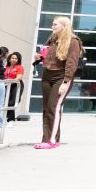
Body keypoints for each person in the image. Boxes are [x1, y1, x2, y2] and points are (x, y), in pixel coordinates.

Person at [35, 16, 82, 149]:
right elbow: (46, 56)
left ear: (64, 26)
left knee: (53, 108)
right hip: (47, 75)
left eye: (55, 24)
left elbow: (72, 63)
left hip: (61, 78)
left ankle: (52, 141)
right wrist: (39, 58)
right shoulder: (53, 39)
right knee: (46, 109)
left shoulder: (73, 41)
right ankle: (48, 138)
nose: (52, 27)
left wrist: (66, 81)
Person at [3, 52, 25, 125]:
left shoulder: (19, 67)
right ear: (9, 59)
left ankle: (11, 120)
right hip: (7, 85)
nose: (14, 59)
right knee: (6, 102)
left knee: (13, 101)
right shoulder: (6, 67)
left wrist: (9, 81)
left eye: (16, 58)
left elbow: (19, 77)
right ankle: (8, 119)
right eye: (13, 58)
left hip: (17, 85)